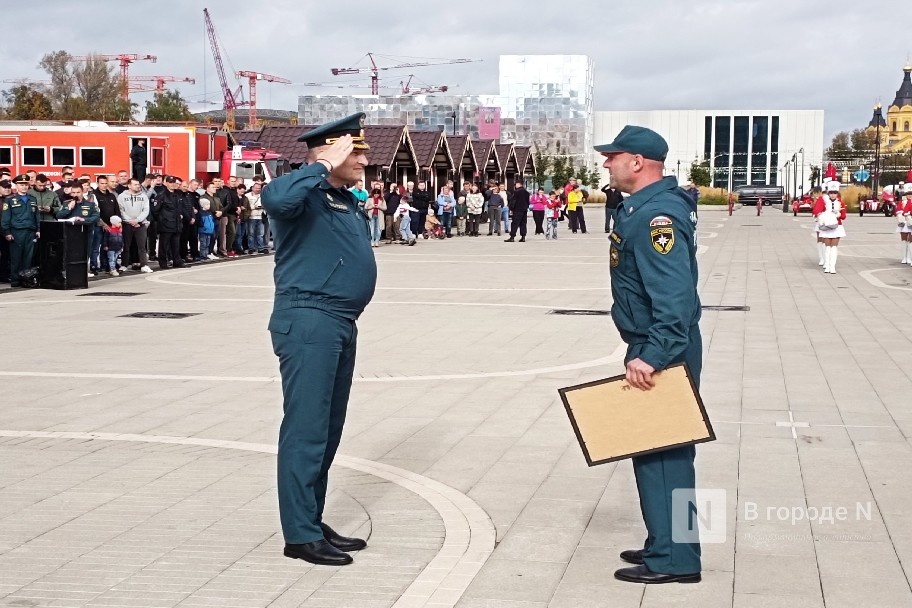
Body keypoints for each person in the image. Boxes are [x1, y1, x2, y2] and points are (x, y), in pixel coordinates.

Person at [261, 112, 375, 567]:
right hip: (309, 320)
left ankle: (310, 518)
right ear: (332, 151)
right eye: (357, 152)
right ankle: (299, 535)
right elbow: (274, 196)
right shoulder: (303, 192)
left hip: (340, 322)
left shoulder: (342, 198)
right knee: (306, 430)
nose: (365, 161)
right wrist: (320, 166)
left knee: (327, 431)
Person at [597, 125, 703, 585]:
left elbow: (674, 298)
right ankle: (669, 543)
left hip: (663, 346)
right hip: (656, 342)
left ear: (637, 162)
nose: (606, 163)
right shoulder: (645, 207)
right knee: (657, 452)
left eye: (613, 156)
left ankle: (677, 559)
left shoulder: (657, 216)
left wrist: (653, 354)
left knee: (665, 455)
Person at [1, 175, 40, 287]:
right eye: (21, 185)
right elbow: (5, 218)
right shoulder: (10, 200)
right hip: (16, 232)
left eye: (25, 184)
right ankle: (15, 279)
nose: (24, 187)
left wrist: (38, 229)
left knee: (28, 257)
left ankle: (26, 279)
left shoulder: (32, 199)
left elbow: (36, 216)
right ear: (16, 186)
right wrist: (7, 232)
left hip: (30, 231)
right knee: (16, 257)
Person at [56, 180, 100, 277]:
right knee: (70, 253)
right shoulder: (66, 203)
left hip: (85, 233)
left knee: (85, 252)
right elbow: (59, 216)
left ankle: (83, 271)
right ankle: (68, 272)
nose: (76, 194)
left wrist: (84, 219)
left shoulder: (90, 204)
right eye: (74, 192)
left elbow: (96, 217)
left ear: (82, 192)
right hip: (70, 233)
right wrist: (69, 209)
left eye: (78, 192)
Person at [117, 178, 153, 273]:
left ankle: (144, 265)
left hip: (140, 224)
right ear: (129, 185)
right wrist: (129, 220)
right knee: (126, 246)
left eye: (138, 184)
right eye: (135, 184)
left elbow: (146, 210)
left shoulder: (144, 196)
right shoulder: (121, 196)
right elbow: (121, 210)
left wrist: (137, 220)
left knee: (142, 246)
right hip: (126, 224)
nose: (138, 186)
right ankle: (124, 264)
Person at [153, 176, 187, 270]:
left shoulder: (178, 194)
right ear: (166, 183)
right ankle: (163, 263)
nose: (172, 184)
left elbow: (180, 208)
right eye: (170, 182)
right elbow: (155, 210)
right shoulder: (162, 195)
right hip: (166, 224)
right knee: (164, 245)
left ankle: (177, 261)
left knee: (176, 245)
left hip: (176, 224)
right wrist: (163, 219)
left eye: (174, 182)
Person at [813, 181, 847, 274]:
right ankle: (827, 265)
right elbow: (817, 211)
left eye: (835, 193)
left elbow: (844, 216)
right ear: (828, 193)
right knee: (827, 246)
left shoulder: (841, 203)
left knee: (834, 247)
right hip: (826, 226)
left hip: (837, 226)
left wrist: (838, 214)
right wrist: (824, 216)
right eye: (831, 193)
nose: (833, 195)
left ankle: (832, 267)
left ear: (837, 193)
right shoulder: (823, 200)